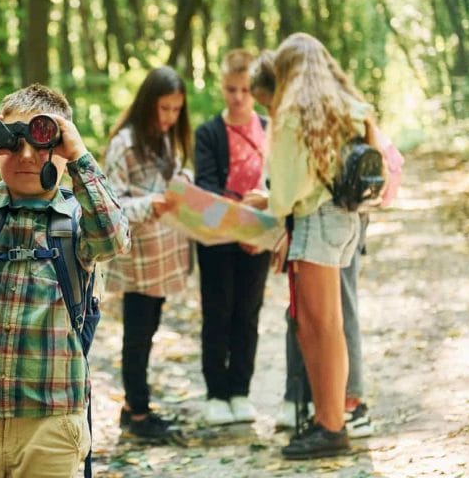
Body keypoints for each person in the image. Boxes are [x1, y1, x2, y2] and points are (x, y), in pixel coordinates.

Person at [0, 84, 130, 478]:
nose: (25, 156)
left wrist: (80, 158)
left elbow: (113, 238)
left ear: (61, 146)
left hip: (52, 418)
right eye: (12, 143)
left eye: (40, 143)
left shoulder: (76, 221)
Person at [251, 52, 374, 439]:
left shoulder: (294, 115)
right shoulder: (345, 107)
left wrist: (271, 205)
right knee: (327, 324)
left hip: (316, 220)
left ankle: (329, 424)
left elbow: (287, 194)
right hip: (345, 216)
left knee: (318, 326)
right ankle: (330, 418)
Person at [102, 66, 194, 441]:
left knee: (150, 332)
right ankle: (137, 415)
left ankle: (135, 407)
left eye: (176, 110)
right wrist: (150, 205)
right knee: (137, 336)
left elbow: (172, 179)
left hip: (164, 255)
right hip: (137, 257)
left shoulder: (166, 140)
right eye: (164, 109)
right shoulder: (124, 143)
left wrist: (183, 185)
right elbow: (110, 204)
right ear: (147, 104)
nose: (170, 118)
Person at [194, 50, 272, 426]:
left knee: (248, 313)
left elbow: (276, 183)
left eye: (244, 89)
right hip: (216, 239)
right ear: (221, 86)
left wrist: (259, 222)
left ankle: (240, 391)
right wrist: (241, 214)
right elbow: (206, 183)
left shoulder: (269, 129)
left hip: (257, 239)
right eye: (230, 89)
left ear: (254, 90)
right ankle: (216, 393)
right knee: (217, 311)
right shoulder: (208, 133)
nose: (238, 97)